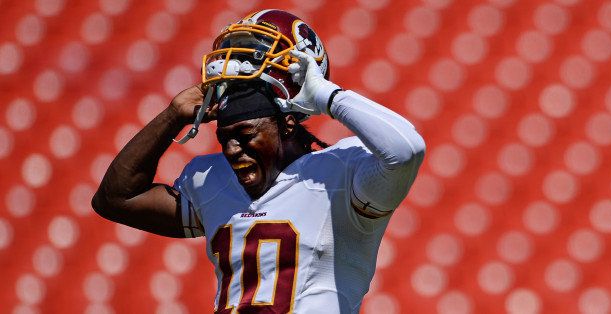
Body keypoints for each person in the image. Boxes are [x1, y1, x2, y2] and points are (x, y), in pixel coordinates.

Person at [92, 9, 425, 313]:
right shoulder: (211, 180)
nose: (233, 149)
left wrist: (325, 96)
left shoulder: (340, 175)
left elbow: (406, 149)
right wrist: (172, 116)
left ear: (288, 121)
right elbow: (116, 198)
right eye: (225, 138)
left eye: (246, 134)